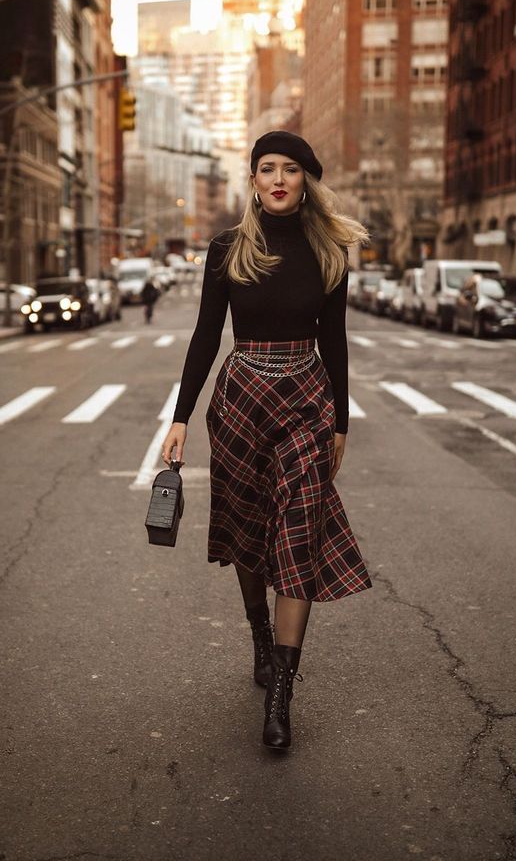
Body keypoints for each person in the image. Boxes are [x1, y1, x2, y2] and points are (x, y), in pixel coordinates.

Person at [161, 130, 372, 751]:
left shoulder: (328, 248)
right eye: (266, 169)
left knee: (299, 530)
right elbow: (205, 336)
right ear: (253, 180)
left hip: (307, 398)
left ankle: (282, 688)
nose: (278, 179)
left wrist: (340, 422)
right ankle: (258, 631)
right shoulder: (229, 248)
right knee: (251, 529)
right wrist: (179, 417)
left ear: (306, 179)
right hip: (241, 399)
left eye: (290, 169)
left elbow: (334, 340)